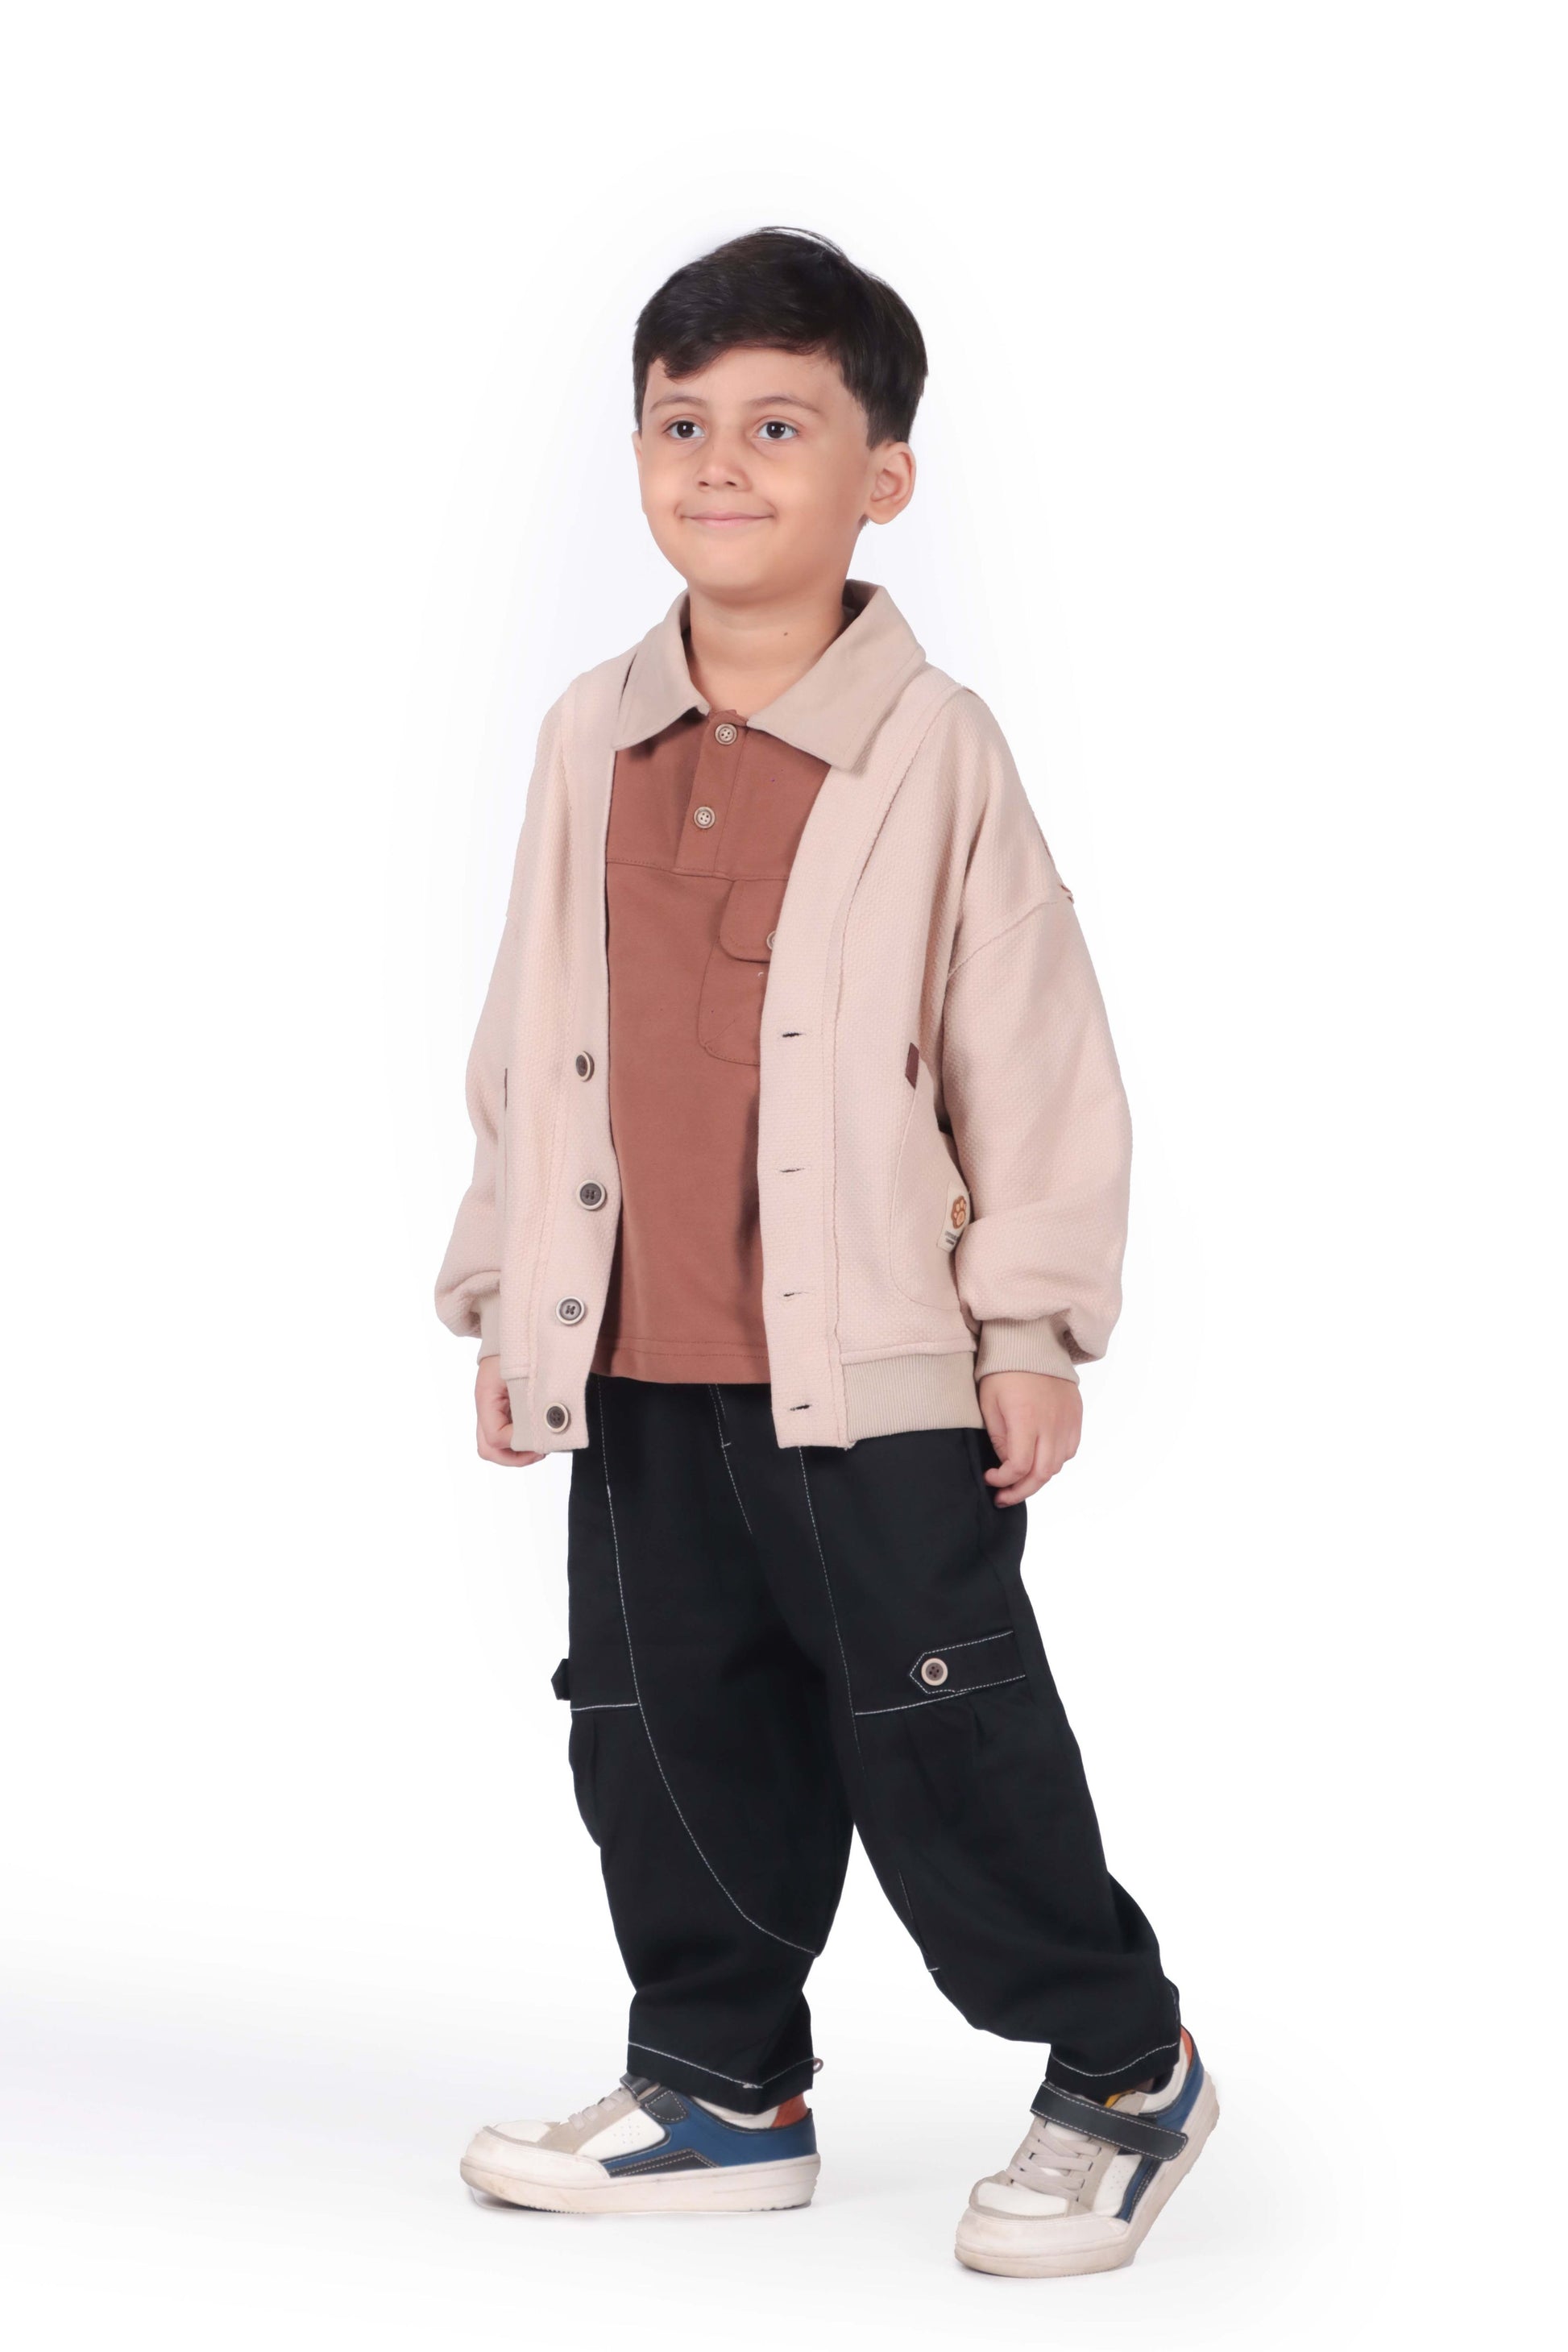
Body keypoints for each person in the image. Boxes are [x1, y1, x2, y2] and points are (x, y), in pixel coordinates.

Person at [435, 226, 1215, 2277]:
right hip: (632, 1354)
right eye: (680, 422)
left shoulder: (932, 745)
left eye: (778, 427)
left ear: (883, 475)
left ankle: (1121, 2067)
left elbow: (1029, 1042)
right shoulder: (586, 733)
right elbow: (528, 1030)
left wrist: (1030, 1323)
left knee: (941, 1733)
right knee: (658, 1727)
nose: (720, 463)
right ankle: (718, 2080)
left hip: (870, 1366)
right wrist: (503, 1291)